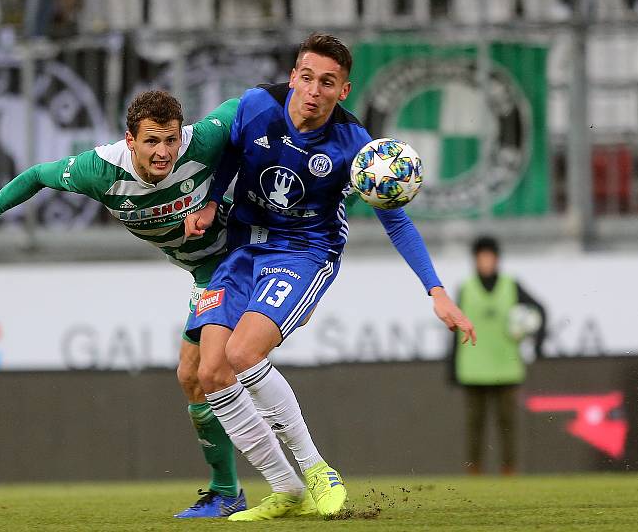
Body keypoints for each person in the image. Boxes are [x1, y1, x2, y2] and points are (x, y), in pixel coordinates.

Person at [184, 32, 475, 521]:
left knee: (241, 353)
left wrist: (437, 291)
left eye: (328, 82)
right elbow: (232, 152)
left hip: (304, 253)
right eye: (307, 77)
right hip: (243, 248)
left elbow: (396, 219)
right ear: (294, 74)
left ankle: (317, 470)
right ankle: (286, 490)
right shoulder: (256, 105)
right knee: (210, 374)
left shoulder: (355, 145)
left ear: (344, 90)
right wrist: (214, 199)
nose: (314, 90)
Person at [0, 91, 250, 518]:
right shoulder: (101, 170)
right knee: (194, 378)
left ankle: (284, 481)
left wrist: (317, 108)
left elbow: (251, 102)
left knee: (210, 371)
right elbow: (36, 175)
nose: (163, 153)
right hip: (203, 273)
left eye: (170, 141)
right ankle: (229, 492)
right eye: (151, 142)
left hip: (242, 255)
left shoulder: (202, 140)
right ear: (130, 140)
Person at [451, 235, 546, 476]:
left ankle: (509, 469)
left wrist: (537, 344)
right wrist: (451, 366)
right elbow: (454, 330)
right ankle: (474, 470)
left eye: (489, 256)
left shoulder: (511, 285)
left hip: (506, 365)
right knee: (475, 424)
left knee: (508, 423)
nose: (485, 261)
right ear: (475, 260)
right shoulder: (466, 288)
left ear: (496, 259)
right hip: (473, 366)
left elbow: (540, 310)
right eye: (481, 257)